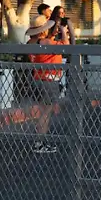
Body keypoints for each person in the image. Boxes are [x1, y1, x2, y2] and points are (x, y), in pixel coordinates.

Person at [26, 15, 65, 154]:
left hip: (37, 78)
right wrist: (66, 31)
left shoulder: (31, 42)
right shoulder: (45, 42)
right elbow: (66, 46)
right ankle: (39, 142)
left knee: (43, 111)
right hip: (48, 80)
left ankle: (40, 141)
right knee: (45, 113)